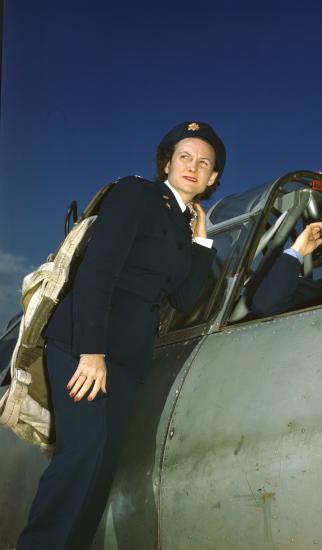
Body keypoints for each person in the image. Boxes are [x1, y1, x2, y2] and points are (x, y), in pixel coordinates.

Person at [17, 121, 226, 550]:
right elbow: (99, 269)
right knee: (82, 454)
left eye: (204, 163)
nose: (193, 166)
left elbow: (185, 298)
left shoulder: (185, 227)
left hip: (128, 358)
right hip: (87, 343)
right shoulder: (137, 194)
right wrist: (91, 351)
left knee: (100, 468)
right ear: (167, 163)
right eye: (184, 156)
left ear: (213, 179)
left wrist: (202, 245)